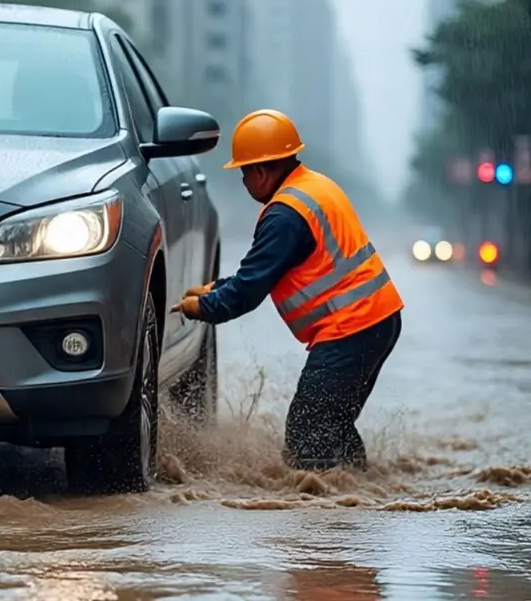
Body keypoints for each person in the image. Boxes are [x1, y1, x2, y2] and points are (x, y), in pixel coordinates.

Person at [170, 109, 404, 472]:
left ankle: (324, 500)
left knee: (306, 431)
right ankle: (358, 489)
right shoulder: (314, 187)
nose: (243, 182)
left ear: (261, 172)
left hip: (351, 328)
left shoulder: (284, 216)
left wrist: (201, 308)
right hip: (378, 320)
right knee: (332, 425)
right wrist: (215, 288)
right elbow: (264, 273)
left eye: (244, 172)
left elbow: (248, 291)